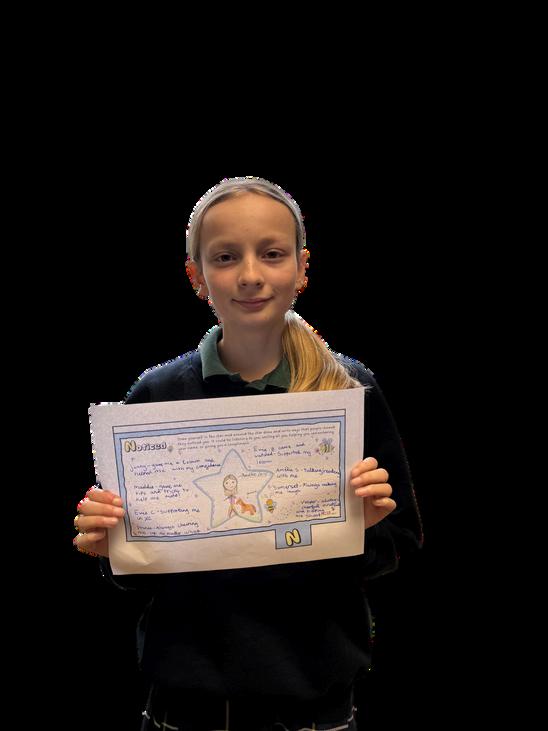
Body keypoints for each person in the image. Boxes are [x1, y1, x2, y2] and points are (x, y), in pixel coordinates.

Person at [73, 176, 423, 731]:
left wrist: (367, 525)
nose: (251, 274)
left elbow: (396, 545)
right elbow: (138, 573)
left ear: (302, 268)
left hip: (316, 703)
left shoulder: (349, 389)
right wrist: (108, 543)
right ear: (197, 277)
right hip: (186, 705)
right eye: (226, 257)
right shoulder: (157, 396)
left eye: (272, 254)